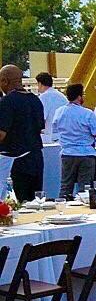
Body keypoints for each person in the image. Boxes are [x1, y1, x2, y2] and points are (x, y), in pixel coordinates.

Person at [51, 82, 96, 200]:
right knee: (85, 187)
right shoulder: (87, 113)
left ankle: (63, 208)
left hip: (67, 153)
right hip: (85, 153)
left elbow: (54, 132)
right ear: (79, 97)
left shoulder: (59, 111)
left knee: (65, 186)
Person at [0, 64, 46, 202]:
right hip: (36, 158)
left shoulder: (7, 102)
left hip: (15, 161)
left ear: (4, 81)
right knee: (34, 203)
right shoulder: (36, 100)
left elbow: (1, 133)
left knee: (15, 204)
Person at [35, 72, 67, 141]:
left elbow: (41, 119)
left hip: (52, 137)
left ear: (40, 84)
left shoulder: (44, 97)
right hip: (65, 134)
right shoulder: (61, 96)